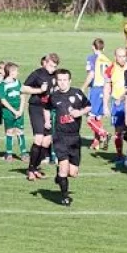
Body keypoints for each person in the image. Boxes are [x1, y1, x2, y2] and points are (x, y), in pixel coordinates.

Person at [48, 69, 92, 206]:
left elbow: (88, 106)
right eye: (59, 80)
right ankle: (64, 197)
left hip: (75, 138)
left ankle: (59, 176)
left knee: (72, 173)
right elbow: (45, 107)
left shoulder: (77, 93)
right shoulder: (53, 96)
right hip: (60, 137)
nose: (62, 83)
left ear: (69, 81)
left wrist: (80, 112)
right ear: (56, 81)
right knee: (63, 168)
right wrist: (46, 121)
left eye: (65, 80)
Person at [22, 53, 59, 180]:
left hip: (48, 109)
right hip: (36, 108)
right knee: (38, 138)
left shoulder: (56, 75)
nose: (52, 69)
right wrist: (39, 90)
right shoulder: (37, 74)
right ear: (46, 62)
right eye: (51, 66)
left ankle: (36, 167)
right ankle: (31, 170)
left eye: (55, 67)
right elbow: (23, 88)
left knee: (47, 140)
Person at [81, 39, 112, 150]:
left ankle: (104, 133)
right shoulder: (108, 60)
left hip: (96, 89)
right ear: (103, 48)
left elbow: (91, 74)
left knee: (89, 118)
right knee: (97, 117)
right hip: (106, 89)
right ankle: (96, 142)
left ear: (93, 47)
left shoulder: (92, 58)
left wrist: (83, 87)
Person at [0, 62, 29, 162]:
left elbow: (22, 95)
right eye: (16, 71)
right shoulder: (3, 84)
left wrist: (20, 110)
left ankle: (24, 153)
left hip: (19, 111)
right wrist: (14, 111)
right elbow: (3, 100)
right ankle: (9, 153)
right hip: (8, 112)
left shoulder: (18, 82)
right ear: (10, 72)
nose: (17, 73)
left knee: (20, 131)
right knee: (9, 131)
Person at [105, 47, 127, 163]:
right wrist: (105, 105)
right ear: (115, 57)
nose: (122, 58)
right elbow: (107, 88)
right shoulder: (110, 69)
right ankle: (120, 155)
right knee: (118, 131)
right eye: (119, 56)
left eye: (124, 56)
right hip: (116, 103)